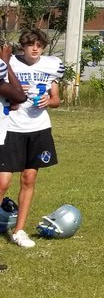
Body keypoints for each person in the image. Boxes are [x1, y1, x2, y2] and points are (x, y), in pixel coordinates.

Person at [0, 32, 48, 249]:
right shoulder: (8, 63)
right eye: (30, 45)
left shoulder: (51, 65)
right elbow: (17, 96)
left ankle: (19, 230)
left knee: (29, 179)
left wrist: (50, 99)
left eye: (39, 45)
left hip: (37, 129)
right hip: (10, 129)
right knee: (2, 182)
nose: (34, 49)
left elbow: (55, 97)